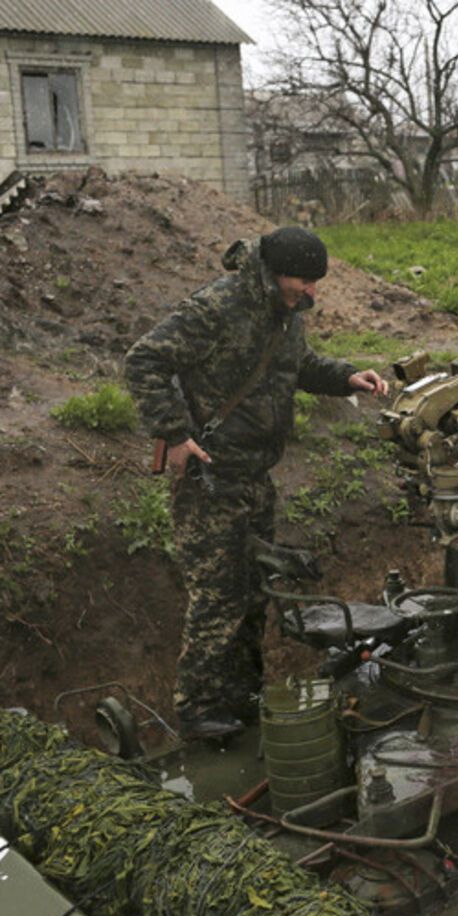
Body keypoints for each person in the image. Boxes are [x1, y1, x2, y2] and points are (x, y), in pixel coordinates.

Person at [125, 227, 388, 739]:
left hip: (253, 476)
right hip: (210, 476)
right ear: (274, 273)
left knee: (253, 594)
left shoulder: (284, 314)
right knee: (218, 594)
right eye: (304, 281)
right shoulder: (218, 306)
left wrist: (346, 377)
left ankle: (243, 695)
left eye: (317, 283)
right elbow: (144, 360)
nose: (312, 292)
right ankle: (199, 709)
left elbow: (298, 366)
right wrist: (174, 434)